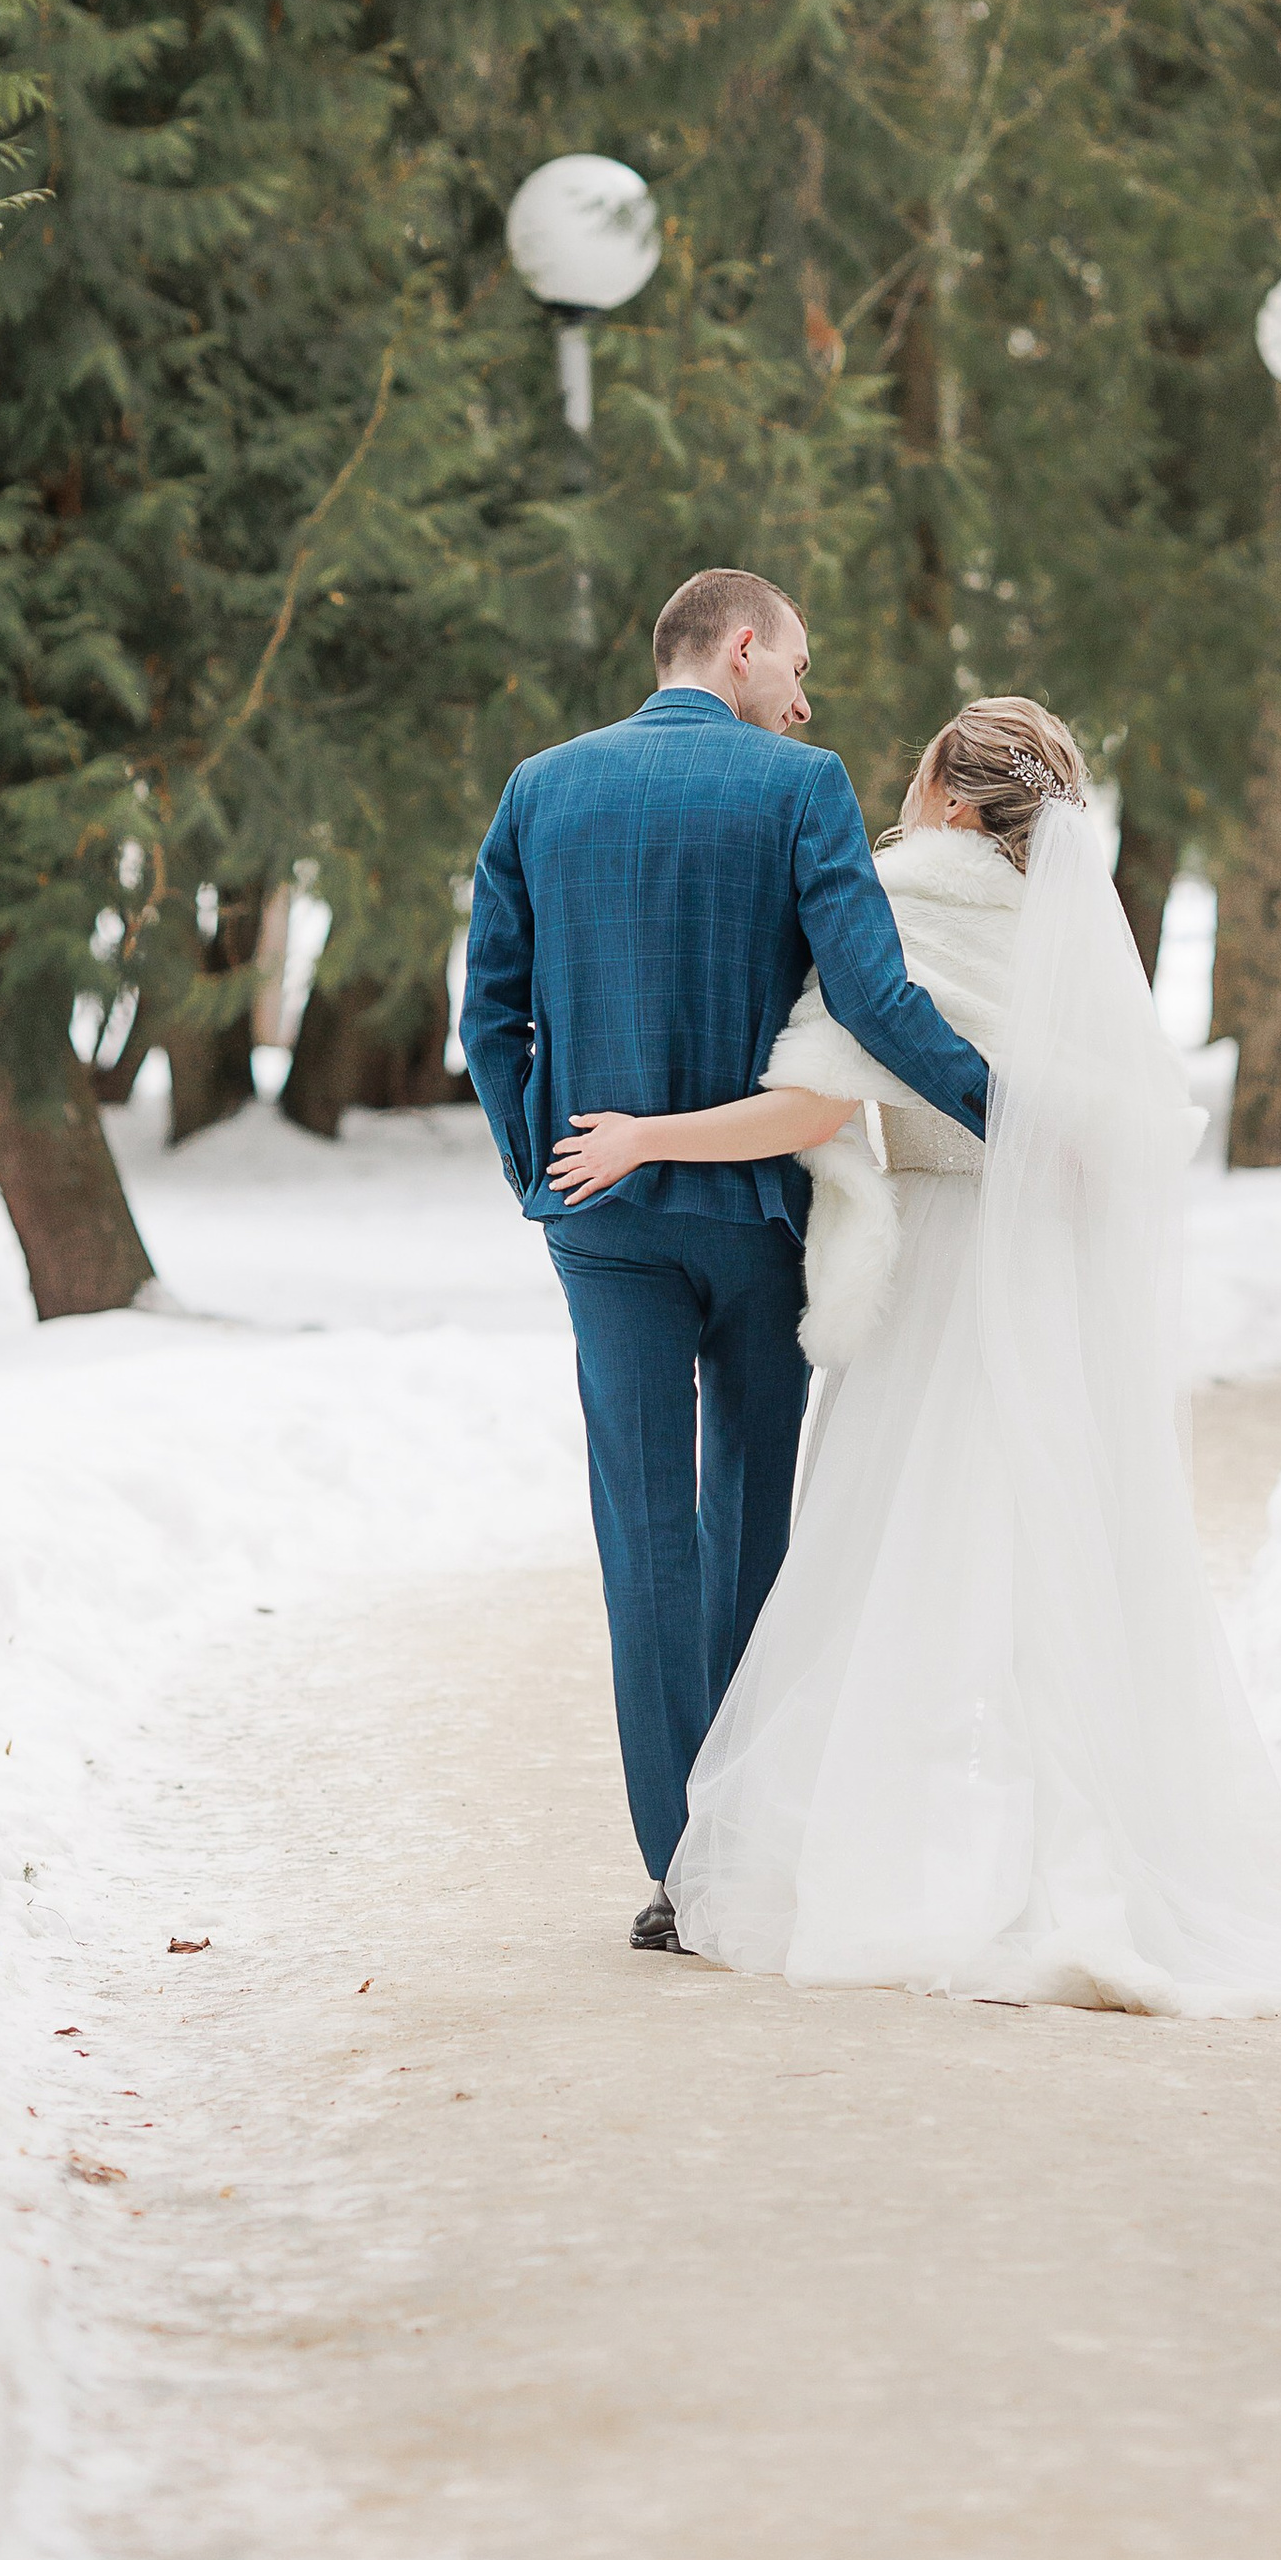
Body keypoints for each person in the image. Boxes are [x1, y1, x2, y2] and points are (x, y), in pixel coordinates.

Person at [548, 696, 1281, 2017]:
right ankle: (1064, 1857)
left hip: (945, 1258)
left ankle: (914, 1859)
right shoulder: (1066, 932)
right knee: (1046, 1558)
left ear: (942, 789)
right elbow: (1135, 1125)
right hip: (1047, 1270)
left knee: (906, 1560)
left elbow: (817, 1100)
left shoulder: (896, 902)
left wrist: (648, 1139)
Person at [461, 569, 993, 1954]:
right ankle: (744, 1846)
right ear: (740, 645)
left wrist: (543, 1173)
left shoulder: (540, 788)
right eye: (796, 663)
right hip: (759, 1216)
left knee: (642, 1535)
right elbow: (875, 1001)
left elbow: (492, 1012)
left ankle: (677, 1868)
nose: (804, 696)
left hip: (608, 1223)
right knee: (748, 1522)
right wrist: (1011, 1107)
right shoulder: (800, 788)